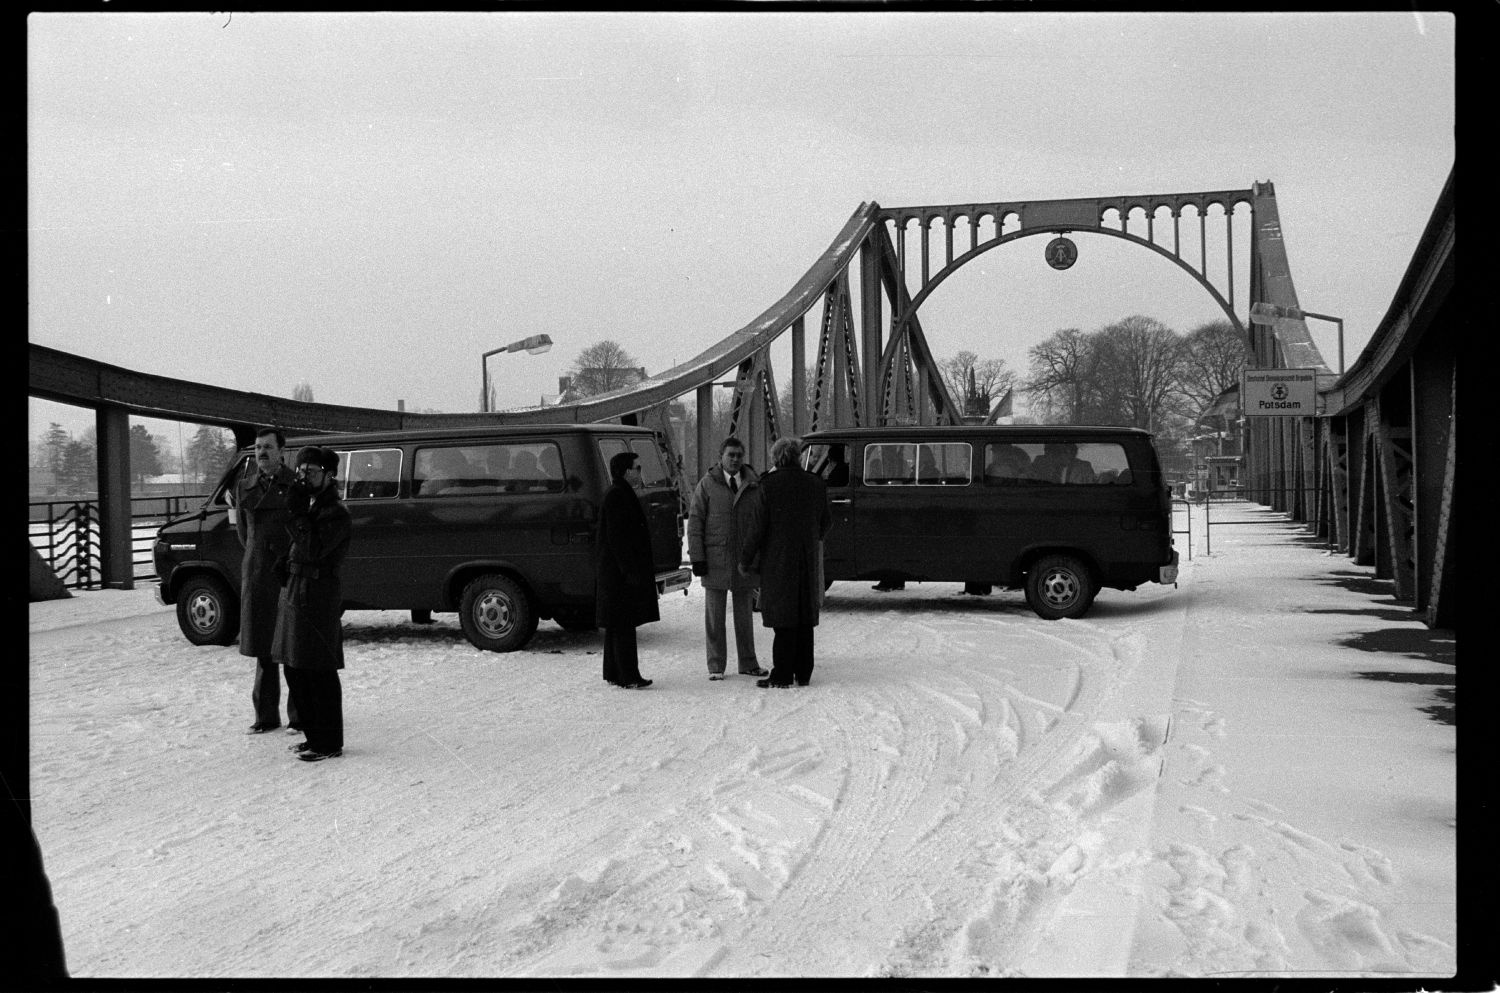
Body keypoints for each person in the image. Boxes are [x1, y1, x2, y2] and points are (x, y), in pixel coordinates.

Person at [273, 446, 353, 762]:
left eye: (313, 472)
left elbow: (315, 548)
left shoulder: (335, 511)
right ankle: (313, 735)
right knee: (295, 667)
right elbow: (301, 546)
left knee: (318, 668)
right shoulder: (314, 507)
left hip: (318, 595)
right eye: (301, 472)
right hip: (297, 591)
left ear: (329, 475)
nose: (305, 478)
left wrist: (296, 515)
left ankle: (329, 741)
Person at [739, 436, 831, 688]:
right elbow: (826, 522)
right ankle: (803, 672)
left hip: (778, 560)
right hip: (807, 558)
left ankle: (782, 673)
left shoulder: (768, 485)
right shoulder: (815, 483)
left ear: (775, 458)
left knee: (784, 618)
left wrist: (746, 560)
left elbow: (756, 528)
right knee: (804, 615)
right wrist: (811, 538)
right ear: (798, 456)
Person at [233, 427, 301, 735]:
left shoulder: (295, 486)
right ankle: (265, 715)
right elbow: (244, 534)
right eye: (258, 447)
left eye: (268, 447)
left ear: (281, 452)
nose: (262, 452)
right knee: (263, 645)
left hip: (286, 573)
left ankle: (298, 716)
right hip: (258, 573)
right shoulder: (245, 487)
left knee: (290, 646)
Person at [688, 437, 767, 681]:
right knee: (714, 617)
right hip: (715, 559)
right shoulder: (707, 485)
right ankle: (715, 665)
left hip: (745, 561)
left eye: (739, 455)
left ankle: (748, 662)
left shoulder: (754, 485)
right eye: (730, 455)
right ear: (720, 456)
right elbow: (695, 523)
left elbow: (762, 523)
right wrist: (697, 558)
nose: (735, 459)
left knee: (744, 617)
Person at [595, 451, 658, 689]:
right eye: (637, 468)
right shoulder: (618, 495)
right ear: (625, 471)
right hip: (620, 573)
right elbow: (617, 538)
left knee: (616, 624)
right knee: (623, 624)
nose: (640, 472)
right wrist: (629, 570)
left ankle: (614, 671)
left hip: (615, 572)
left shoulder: (618, 492)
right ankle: (628, 675)